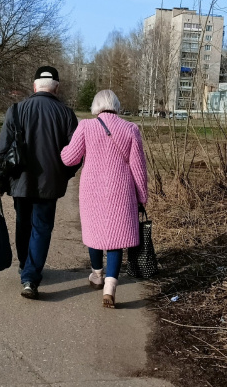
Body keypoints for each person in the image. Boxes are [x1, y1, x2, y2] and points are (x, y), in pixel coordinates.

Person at [0, 66, 79, 299]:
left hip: (20, 181)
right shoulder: (66, 114)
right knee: (41, 229)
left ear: (34, 86)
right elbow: (77, 153)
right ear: (56, 88)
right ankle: (30, 276)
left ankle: (25, 267)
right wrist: (64, 174)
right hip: (50, 184)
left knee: (23, 224)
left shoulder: (16, 110)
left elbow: (3, 150)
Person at [60, 90, 148, 308]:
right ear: (116, 106)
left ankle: (97, 275)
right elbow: (138, 167)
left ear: (95, 106)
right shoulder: (130, 129)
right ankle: (110, 287)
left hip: (92, 190)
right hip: (122, 190)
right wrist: (142, 196)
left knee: (95, 233)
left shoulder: (86, 127)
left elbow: (69, 159)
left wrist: (62, 148)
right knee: (116, 239)